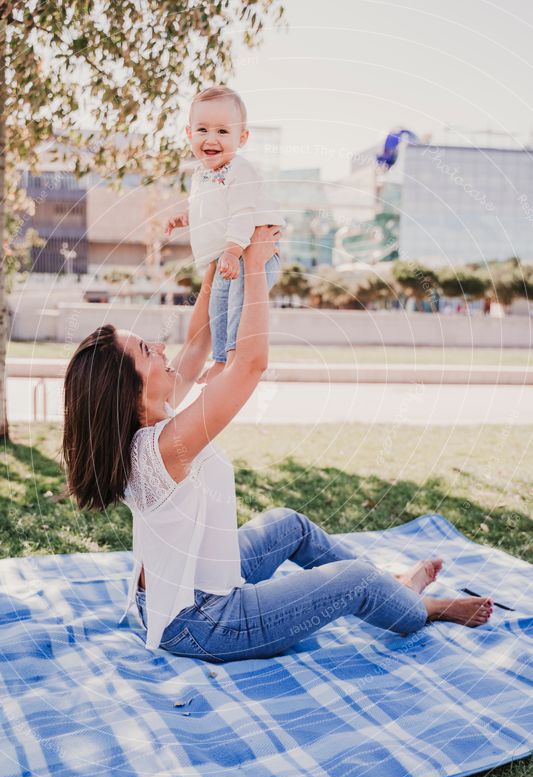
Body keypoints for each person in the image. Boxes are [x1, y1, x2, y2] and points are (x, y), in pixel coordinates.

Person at [62, 226, 493, 663]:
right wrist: (254, 264)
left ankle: (392, 586)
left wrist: (219, 260)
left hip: (186, 591)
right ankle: (420, 609)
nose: (159, 345)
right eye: (145, 351)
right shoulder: (162, 448)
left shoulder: (148, 419)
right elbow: (250, 366)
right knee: (352, 580)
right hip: (204, 623)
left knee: (289, 525)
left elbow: (198, 341)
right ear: (129, 393)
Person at [165, 85, 284, 383]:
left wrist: (232, 250)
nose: (211, 139)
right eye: (203, 129)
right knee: (218, 301)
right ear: (189, 134)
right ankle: (220, 359)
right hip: (229, 254)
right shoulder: (201, 174)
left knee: (236, 304)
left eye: (222, 131)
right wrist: (186, 217)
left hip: (250, 251)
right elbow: (212, 210)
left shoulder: (239, 169)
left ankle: (233, 356)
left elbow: (242, 213)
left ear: (241, 138)